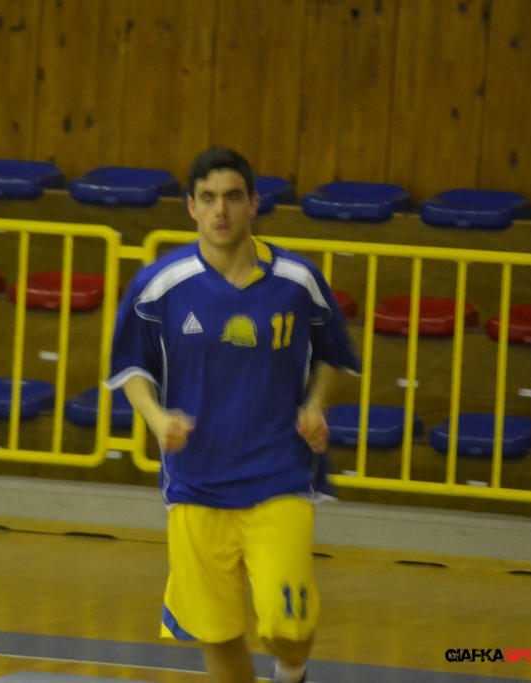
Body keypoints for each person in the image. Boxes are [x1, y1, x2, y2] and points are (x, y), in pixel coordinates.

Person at [105, 147, 361, 683]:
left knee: (287, 627)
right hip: (196, 484)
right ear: (191, 207)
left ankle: (292, 671)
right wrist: (155, 418)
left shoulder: (298, 280)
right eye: (208, 198)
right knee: (218, 635)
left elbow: (335, 359)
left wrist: (315, 404)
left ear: (253, 204)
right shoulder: (159, 285)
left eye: (232, 197)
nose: (220, 210)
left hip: (280, 477)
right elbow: (130, 367)